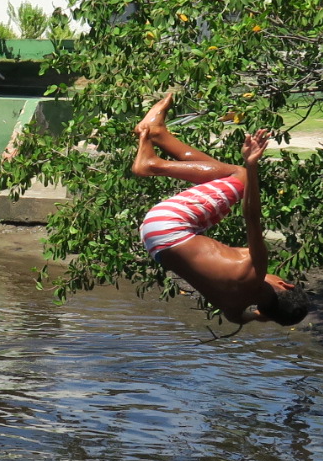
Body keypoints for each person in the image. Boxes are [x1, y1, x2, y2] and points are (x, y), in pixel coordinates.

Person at [132, 92, 310, 326]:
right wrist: (262, 315)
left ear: (285, 285)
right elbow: (244, 319)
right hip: (153, 240)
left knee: (241, 177)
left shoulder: (254, 272)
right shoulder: (232, 308)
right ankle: (159, 135)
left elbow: (252, 217)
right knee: (220, 183)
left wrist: (252, 166)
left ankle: (152, 164)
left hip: (169, 224)